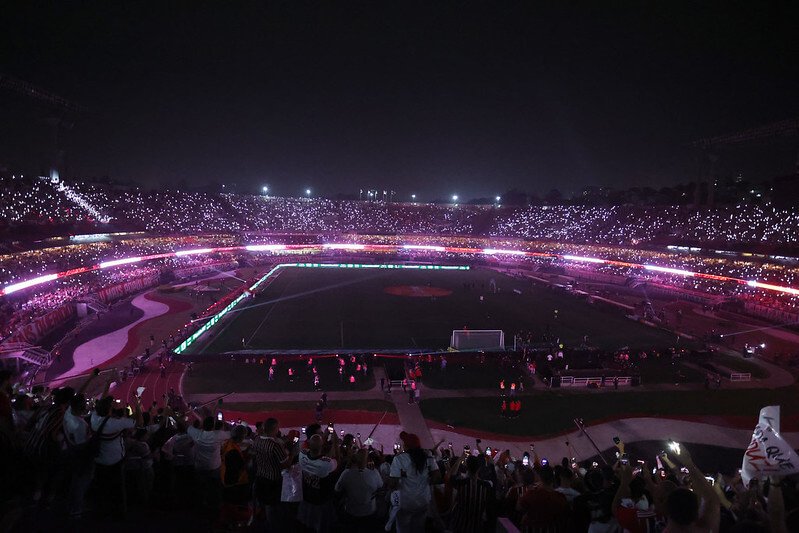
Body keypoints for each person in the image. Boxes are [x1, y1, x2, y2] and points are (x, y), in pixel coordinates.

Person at [91, 391, 143, 519]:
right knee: (118, 489)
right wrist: (137, 404)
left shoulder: (94, 418)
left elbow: (99, 405)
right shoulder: (115, 423)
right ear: (109, 410)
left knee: (102, 488)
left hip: (99, 460)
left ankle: (100, 512)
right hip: (115, 461)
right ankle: (119, 514)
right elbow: (139, 423)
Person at [389, 431, 441, 533]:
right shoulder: (428, 457)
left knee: (403, 528)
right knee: (419, 528)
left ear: (406, 446)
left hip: (406, 502)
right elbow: (437, 477)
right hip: (423, 500)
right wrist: (425, 479)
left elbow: (392, 483)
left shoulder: (399, 459)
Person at [187, 415, 231, 518]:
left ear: (203, 425)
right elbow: (232, 433)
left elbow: (185, 425)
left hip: (200, 466)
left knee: (201, 487)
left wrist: (172, 414)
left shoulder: (196, 433)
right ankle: (215, 509)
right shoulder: (218, 435)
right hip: (214, 467)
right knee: (215, 489)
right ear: (213, 426)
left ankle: (201, 508)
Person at [251, 417, 288, 525]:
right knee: (272, 507)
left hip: (260, 477)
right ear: (275, 428)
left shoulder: (257, 439)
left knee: (263, 502)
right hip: (273, 481)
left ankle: (263, 521)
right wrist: (292, 453)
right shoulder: (275, 445)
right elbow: (285, 464)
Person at [298, 433, 339, 532]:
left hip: (307, 496)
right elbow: (335, 460)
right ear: (322, 446)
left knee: (308, 523)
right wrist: (334, 444)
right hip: (321, 500)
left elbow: (311, 451)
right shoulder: (326, 463)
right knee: (321, 525)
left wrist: (322, 439)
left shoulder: (301, 455)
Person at [335, 448, 383, 531]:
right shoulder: (374, 472)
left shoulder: (346, 473)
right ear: (368, 460)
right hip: (369, 511)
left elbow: (337, 489)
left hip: (351, 510)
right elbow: (380, 485)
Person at [448, 454, 495, 533]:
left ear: (467, 467)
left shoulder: (461, 484)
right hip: (477, 527)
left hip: (460, 526)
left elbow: (451, 476)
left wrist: (459, 460)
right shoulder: (486, 486)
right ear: (479, 468)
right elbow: (493, 472)